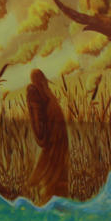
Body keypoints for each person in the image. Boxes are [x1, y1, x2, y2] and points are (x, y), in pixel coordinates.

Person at [26, 69, 69, 204]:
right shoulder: (44, 94)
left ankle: (48, 192)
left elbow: (38, 118)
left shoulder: (42, 93)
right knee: (51, 166)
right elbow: (38, 117)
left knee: (52, 166)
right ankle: (47, 192)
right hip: (56, 137)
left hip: (56, 137)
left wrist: (42, 135)